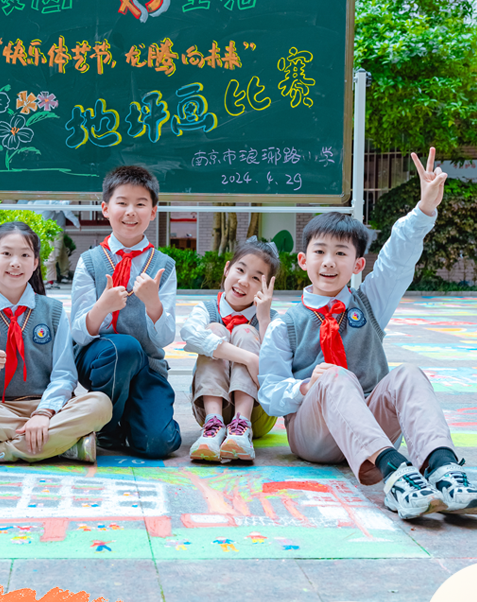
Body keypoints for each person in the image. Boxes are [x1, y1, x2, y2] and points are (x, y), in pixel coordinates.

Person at [258, 148, 477, 519]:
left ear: (358, 264)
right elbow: (269, 394)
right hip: (316, 437)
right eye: (320, 252)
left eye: (341, 253)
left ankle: (441, 466)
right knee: (335, 377)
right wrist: (306, 387)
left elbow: (396, 260)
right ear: (303, 260)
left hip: (372, 426)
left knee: (408, 374)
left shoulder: (369, 303)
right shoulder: (286, 323)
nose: (329, 262)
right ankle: (395, 474)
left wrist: (424, 210)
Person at [0, 220, 111, 466]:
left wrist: (43, 413)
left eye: (24, 255)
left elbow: (64, 375)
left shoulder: (54, 312)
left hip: (49, 406)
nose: (15, 262)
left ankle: (3, 451)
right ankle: (63, 444)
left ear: (35, 263)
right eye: (6, 254)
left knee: (100, 404)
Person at [70, 164, 180, 459]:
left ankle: (132, 414)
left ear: (153, 212)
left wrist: (153, 304)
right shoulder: (90, 262)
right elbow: (78, 333)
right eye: (122, 203)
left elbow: (165, 339)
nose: (131, 212)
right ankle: (106, 425)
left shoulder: (164, 266)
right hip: (99, 361)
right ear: (106, 208)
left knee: (159, 443)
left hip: (146, 367)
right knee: (124, 348)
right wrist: (102, 307)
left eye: (140, 204)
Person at [182, 237, 278, 462]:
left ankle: (241, 428)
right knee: (214, 330)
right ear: (227, 269)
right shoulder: (206, 309)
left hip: (257, 415)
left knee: (245, 331)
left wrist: (264, 319)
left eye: (256, 278)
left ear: (266, 287)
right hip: (207, 410)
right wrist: (249, 358)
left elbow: (275, 370)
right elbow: (190, 334)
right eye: (240, 270)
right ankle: (213, 427)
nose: (244, 281)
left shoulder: (271, 318)